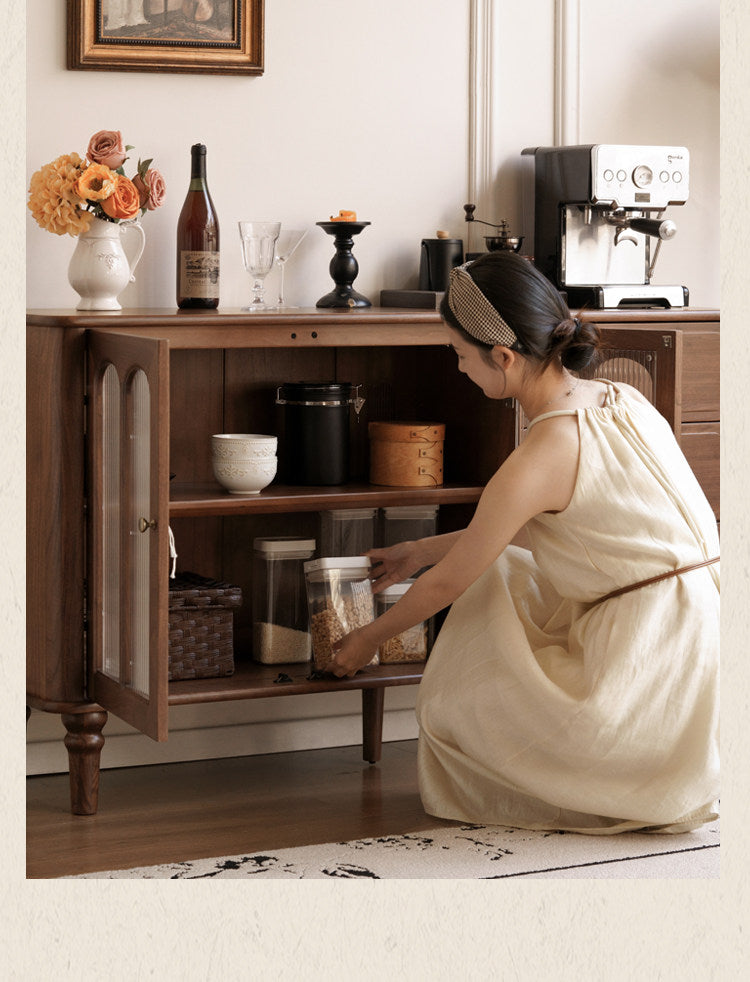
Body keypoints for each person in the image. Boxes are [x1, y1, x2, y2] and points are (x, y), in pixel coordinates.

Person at [328, 250, 719, 835]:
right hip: (703, 642)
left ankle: (592, 772)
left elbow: (453, 580)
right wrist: (418, 550)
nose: (459, 368)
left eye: (461, 355)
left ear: (504, 358)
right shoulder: (620, 399)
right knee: (503, 568)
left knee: (461, 689)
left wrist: (365, 641)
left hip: (648, 670)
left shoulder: (542, 452)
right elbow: (550, 525)